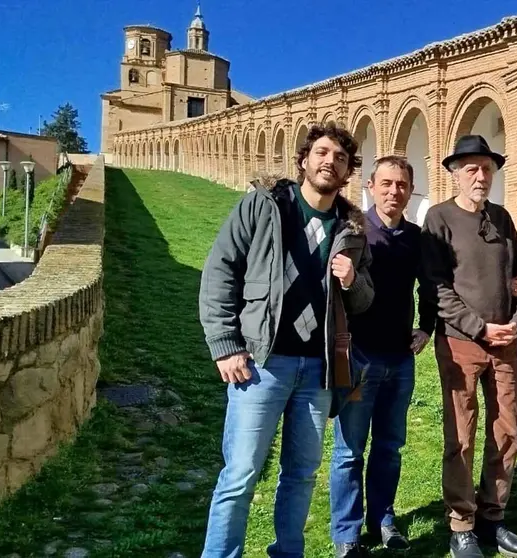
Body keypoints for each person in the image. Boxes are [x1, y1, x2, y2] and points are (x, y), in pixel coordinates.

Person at [198, 121, 374, 558]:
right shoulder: (265, 207)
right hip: (261, 362)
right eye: (322, 152)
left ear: (348, 171)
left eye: (340, 157)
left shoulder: (350, 231)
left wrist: (352, 281)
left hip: (317, 369)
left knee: (301, 474)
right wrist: (225, 343)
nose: (329, 161)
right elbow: (221, 270)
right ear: (304, 160)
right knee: (240, 474)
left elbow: (365, 299)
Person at [420, 134, 517, 558]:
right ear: (455, 173)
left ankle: (493, 517)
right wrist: (478, 327)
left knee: (506, 432)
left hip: (506, 343)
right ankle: (461, 523)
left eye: (486, 168)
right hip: (462, 343)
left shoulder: (502, 219)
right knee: (461, 435)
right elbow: (435, 287)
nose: (480, 175)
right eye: (471, 168)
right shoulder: (439, 218)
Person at [329, 156, 436, 557]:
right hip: (358, 357)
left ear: (410, 190)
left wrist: (427, 326)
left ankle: (383, 520)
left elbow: (429, 285)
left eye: (402, 185)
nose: (394, 191)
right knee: (348, 451)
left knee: (390, 446)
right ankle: (346, 533)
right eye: (387, 183)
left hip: (399, 361)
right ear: (371, 186)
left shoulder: (415, 237)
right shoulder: (354, 232)